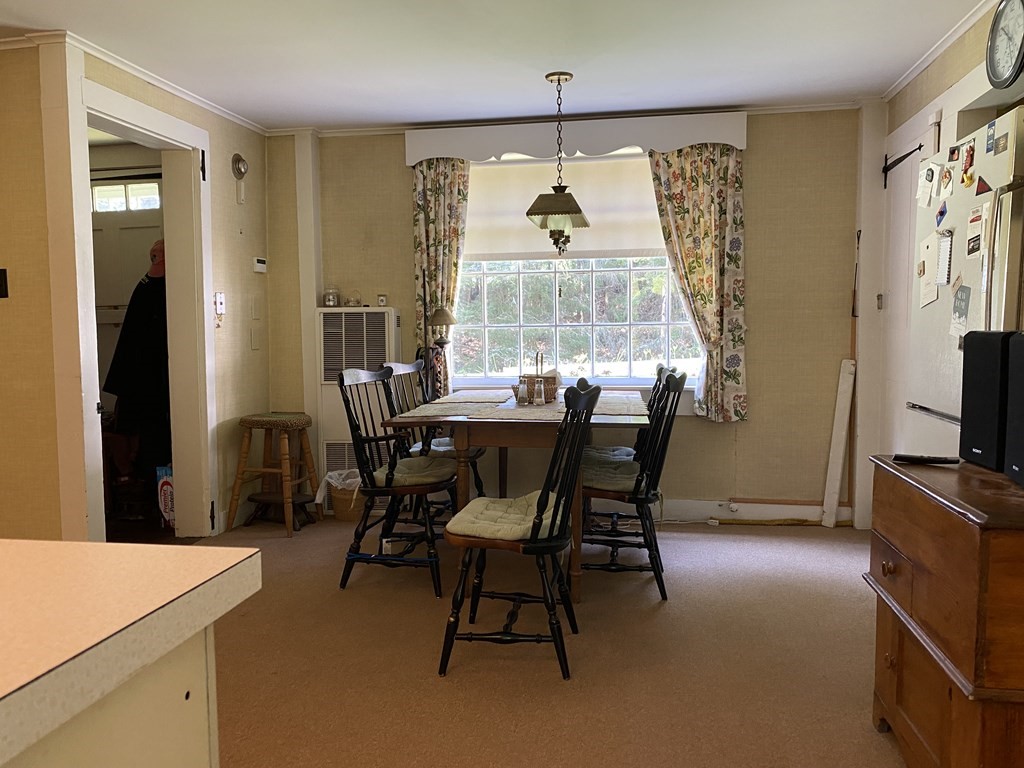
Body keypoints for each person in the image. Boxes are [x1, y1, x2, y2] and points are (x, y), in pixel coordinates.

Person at [103, 239, 171, 487]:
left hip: (142, 374)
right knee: (151, 430)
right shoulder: (151, 287)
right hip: (145, 375)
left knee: (150, 429)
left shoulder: (145, 286)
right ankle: (149, 479)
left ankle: (149, 476)